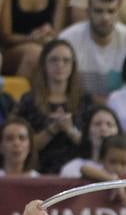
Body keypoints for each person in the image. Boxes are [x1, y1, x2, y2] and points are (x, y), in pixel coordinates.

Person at [16, 37, 92, 173]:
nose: (60, 65)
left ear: (73, 66)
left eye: (66, 60)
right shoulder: (29, 100)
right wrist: (52, 129)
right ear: (44, 64)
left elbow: (93, 147)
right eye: (54, 60)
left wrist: (70, 130)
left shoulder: (85, 100)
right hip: (38, 171)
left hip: (78, 173)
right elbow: (21, 146)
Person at [58, 0, 126, 98]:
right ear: (88, 11)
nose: (105, 18)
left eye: (111, 11)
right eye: (98, 11)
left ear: (118, 12)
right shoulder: (68, 39)